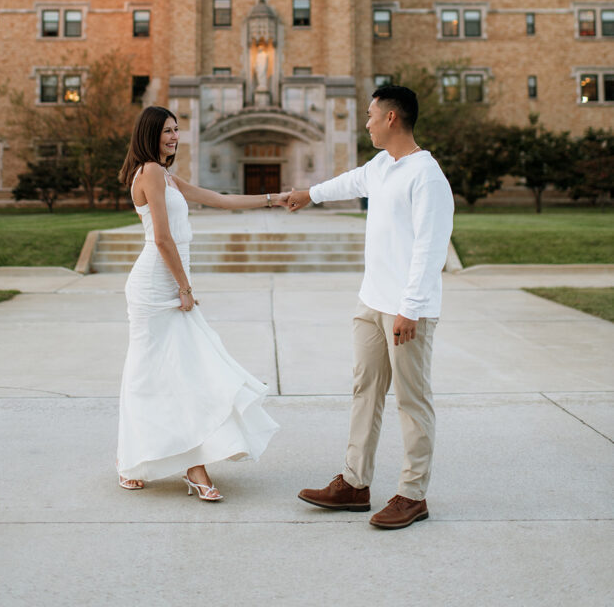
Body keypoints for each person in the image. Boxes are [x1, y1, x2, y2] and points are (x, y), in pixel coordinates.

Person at [287, 84, 454, 529]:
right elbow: (349, 181)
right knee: (365, 391)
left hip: (405, 310)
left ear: (392, 119)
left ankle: (412, 494)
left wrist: (411, 308)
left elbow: (430, 249)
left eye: (370, 116)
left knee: (412, 400)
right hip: (371, 302)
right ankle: (356, 484)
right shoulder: (382, 165)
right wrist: (310, 193)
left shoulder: (427, 176)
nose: (366, 122)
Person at [116, 105, 281, 500]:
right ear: (150, 133)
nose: (174, 137)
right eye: (167, 131)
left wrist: (275, 198)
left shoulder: (166, 176)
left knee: (186, 372)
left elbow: (218, 199)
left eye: (177, 130)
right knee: (151, 373)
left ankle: (190, 465)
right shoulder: (151, 173)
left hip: (170, 282)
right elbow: (160, 238)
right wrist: (184, 287)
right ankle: (138, 461)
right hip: (157, 286)